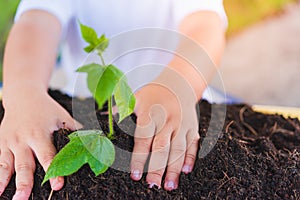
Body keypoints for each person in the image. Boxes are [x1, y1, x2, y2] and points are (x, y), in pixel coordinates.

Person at [0, 0, 227, 199]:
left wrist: (177, 87)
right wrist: (23, 92)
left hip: (179, 104)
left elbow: (205, 24)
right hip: (83, 102)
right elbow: (36, 22)